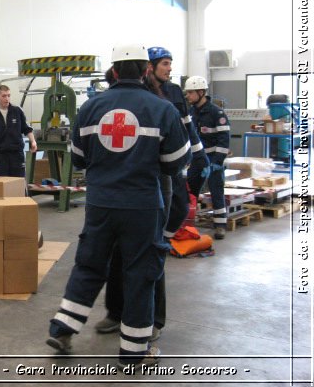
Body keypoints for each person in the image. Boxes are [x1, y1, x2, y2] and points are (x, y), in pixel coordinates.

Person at [46, 43, 191, 367]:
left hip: (100, 204)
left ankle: (64, 328)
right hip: (142, 206)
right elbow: (175, 162)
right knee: (140, 274)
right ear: (145, 71)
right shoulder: (161, 109)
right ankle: (133, 353)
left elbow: (79, 160)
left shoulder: (90, 108)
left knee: (90, 265)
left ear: (113, 72)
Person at [95, 47, 210, 340]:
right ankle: (116, 312)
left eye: (170, 64)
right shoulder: (119, 93)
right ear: (148, 67)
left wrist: (199, 160)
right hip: (124, 183)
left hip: (158, 181)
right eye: (165, 64)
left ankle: (154, 320)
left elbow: (187, 135)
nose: (169, 69)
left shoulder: (171, 96)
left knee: (150, 252)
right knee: (117, 252)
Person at [184, 76, 231, 239]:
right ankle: (187, 224)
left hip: (212, 160)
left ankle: (220, 225)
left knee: (216, 191)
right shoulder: (190, 112)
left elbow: (224, 140)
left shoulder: (216, 113)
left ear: (201, 92)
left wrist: (217, 163)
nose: (188, 96)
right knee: (190, 191)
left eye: (190, 93)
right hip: (197, 160)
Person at [0, 84, 37, 177]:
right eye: (4, 96)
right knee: (4, 184)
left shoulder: (17, 110)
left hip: (17, 153)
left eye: (9, 95)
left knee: (19, 182)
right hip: (1, 155)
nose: (7, 98)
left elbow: (27, 128)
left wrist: (33, 141)